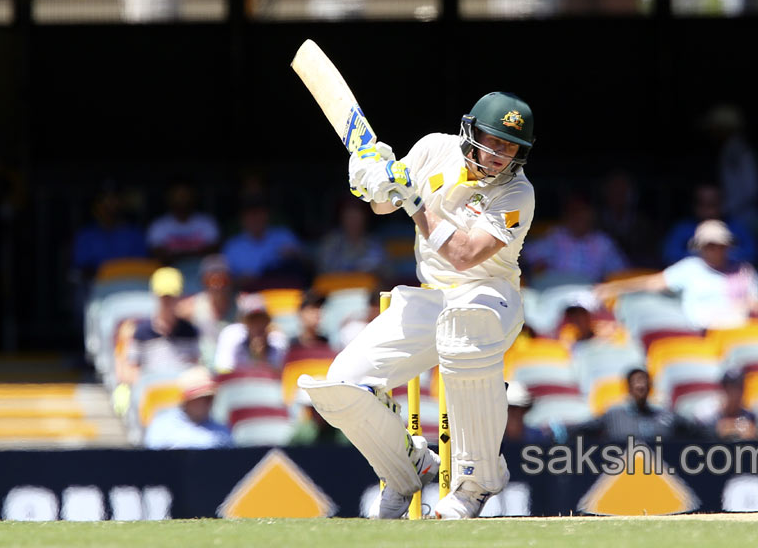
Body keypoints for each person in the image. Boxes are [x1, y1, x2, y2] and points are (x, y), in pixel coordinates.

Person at [298, 92, 536, 520]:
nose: (500, 154)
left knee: (467, 325)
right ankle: (408, 467)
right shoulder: (433, 148)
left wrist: (414, 201)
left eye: (510, 146)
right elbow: (382, 203)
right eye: (493, 140)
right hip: (432, 297)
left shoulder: (518, 193)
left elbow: (465, 255)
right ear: (471, 130)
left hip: (490, 296)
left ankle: (474, 484)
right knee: (340, 388)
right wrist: (373, 178)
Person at [595, 220, 758, 330]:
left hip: (741, 329)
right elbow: (652, 283)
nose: (716, 249)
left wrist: (742, 307)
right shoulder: (689, 268)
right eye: (710, 245)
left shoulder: (743, 270)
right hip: (704, 333)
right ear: (700, 247)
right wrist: (614, 287)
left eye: (720, 244)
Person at [566, 368, 708, 444]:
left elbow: (697, 431)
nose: (641, 386)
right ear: (628, 388)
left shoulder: (666, 416)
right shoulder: (614, 415)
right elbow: (582, 430)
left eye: (645, 383)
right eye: (636, 383)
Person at [117, 267, 200, 386]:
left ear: (180, 296)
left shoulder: (190, 332)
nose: (167, 301)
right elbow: (131, 371)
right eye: (163, 297)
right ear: (155, 296)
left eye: (171, 296)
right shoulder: (142, 332)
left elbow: (195, 367)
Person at [522, 194, 628, 283]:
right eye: (574, 212)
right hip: (558, 291)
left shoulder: (603, 243)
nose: (578, 217)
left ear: (592, 215)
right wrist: (539, 267)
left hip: (589, 295)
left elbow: (621, 273)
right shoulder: (556, 237)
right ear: (567, 215)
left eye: (583, 212)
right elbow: (524, 255)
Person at [222, 194, 306, 288]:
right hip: (248, 296)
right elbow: (225, 281)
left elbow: (308, 265)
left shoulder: (284, 236)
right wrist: (241, 280)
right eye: (251, 214)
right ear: (242, 219)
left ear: (267, 215)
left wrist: (295, 256)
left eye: (259, 213)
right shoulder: (232, 246)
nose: (256, 219)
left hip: (284, 293)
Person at [662, 183, 758, 266]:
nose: (707, 211)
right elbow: (670, 257)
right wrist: (705, 256)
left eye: (712, 204)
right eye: (702, 204)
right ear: (694, 205)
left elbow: (752, 255)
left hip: (730, 279)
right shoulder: (682, 229)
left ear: (722, 204)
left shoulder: (737, 227)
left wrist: (721, 257)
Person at [144, 366, 232, 449]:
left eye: (210, 398)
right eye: (202, 398)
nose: (207, 403)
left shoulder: (222, 431)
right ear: (187, 401)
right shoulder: (162, 427)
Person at [72, 184, 147, 280]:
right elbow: (81, 268)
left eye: (114, 199)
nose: (109, 205)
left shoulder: (134, 234)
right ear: (96, 205)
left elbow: (142, 265)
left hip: (128, 285)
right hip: (96, 288)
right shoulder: (85, 236)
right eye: (104, 200)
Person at [175, 255, 235, 368]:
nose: (217, 286)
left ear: (230, 281)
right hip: (204, 368)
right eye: (211, 280)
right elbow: (166, 321)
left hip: (234, 368)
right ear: (203, 281)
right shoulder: (192, 306)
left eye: (222, 280)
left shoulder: (242, 307)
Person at [146, 182, 220, 265]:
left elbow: (212, 254)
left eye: (185, 194)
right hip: (169, 272)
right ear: (169, 198)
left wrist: (178, 256)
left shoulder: (207, 222)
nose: (181, 199)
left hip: (201, 271)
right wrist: (194, 254)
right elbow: (159, 255)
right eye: (177, 195)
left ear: (193, 196)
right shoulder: (158, 225)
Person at [213, 293, 289, 373]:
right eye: (252, 320)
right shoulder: (232, 335)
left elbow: (280, 378)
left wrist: (261, 357)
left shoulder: (277, 342)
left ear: (267, 322)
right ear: (244, 322)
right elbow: (223, 372)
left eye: (261, 319)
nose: (257, 325)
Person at [316, 196, 388, 277]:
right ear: (341, 218)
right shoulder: (330, 242)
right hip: (337, 287)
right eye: (349, 216)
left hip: (366, 288)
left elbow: (386, 273)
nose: (353, 221)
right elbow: (324, 272)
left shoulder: (374, 243)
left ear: (364, 218)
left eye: (357, 216)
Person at [694, 369, 757, 441]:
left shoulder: (750, 415)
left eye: (740, 387)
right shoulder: (708, 413)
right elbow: (704, 433)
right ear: (723, 389)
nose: (737, 392)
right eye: (732, 387)